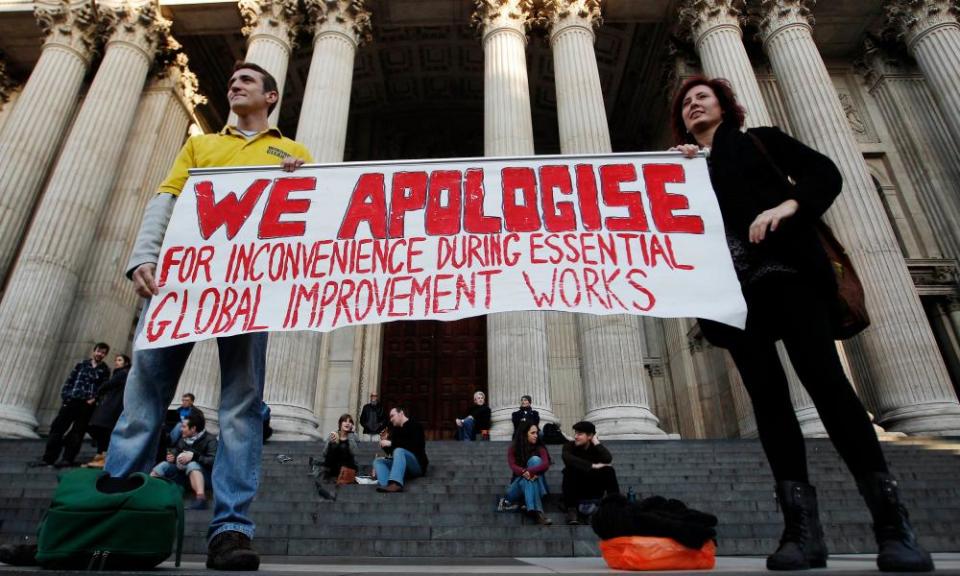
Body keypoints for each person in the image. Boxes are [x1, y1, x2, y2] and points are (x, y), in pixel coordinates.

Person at [669, 76, 933, 572]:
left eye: (701, 97)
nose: (693, 105)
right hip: (734, 294)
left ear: (725, 105)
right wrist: (675, 170)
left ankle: (893, 525)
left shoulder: (760, 140)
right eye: (685, 102)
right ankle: (801, 531)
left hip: (787, 275)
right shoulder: (685, 167)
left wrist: (788, 205)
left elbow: (825, 173)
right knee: (769, 405)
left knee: (828, 385)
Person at [104, 61, 313, 571]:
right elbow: (167, 199)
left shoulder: (294, 153)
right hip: (180, 283)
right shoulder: (201, 145)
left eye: (246, 81)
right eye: (232, 78)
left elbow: (313, 216)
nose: (234, 84)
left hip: (246, 288)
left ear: (271, 96)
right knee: (142, 398)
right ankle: (110, 518)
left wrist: (298, 182)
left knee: (242, 406)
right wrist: (142, 257)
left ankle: (231, 531)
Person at [37, 342, 110, 468]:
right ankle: (48, 458)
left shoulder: (104, 370)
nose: (100, 354)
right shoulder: (81, 365)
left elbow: (103, 388)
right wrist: (66, 397)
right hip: (72, 401)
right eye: (98, 351)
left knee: (77, 432)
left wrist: (94, 399)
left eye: (103, 353)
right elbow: (70, 381)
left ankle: (67, 458)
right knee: (57, 429)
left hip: (87, 405)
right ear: (94, 351)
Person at [151, 407, 217, 511]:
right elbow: (177, 450)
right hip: (184, 476)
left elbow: (213, 461)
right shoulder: (183, 439)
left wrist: (194, 457)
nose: (181, 429)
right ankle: (146, 490)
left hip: (205, 479)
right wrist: (173, 456)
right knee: (163, 465)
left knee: (192, 464)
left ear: (193, 429)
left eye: (184, 426)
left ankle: (201, 499)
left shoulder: (210, 440)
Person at [561, 421, 619, 526]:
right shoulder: (569, 446)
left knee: (609, 470)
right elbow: (567, 458)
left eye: (579, 434)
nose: (575, 437)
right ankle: (572, 510)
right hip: (577, 490)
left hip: (594, 489)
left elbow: (608, 458)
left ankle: (615, 506)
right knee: (569, 470)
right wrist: (592, 466)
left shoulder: (595, 448)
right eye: (575, 433)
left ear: (590, 436)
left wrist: (596, 441)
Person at [499, 421, 552, 525]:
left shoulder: (540, 448)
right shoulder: (513, 449)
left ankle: (536, 511)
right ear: (524, 433)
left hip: (528, 481)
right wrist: (524, 472)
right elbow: (513, 466)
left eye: (537, 433)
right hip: (516, 486)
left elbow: (545, 464)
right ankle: (534, 508)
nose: (536, 436)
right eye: (533, 433)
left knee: (535, 461)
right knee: (528, 478)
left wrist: (527, 472)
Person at [83, 354, 131, 468]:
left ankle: (103, 455)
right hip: (112, 405)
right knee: (102, 429)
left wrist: (98, 390)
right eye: (116, 360)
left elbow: (108, 385)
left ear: (126, 363)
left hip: (113, 406)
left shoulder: (122, 373)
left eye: (119, 360)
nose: (116, 362)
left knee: (101, 428)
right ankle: (101, 455)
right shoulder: (121, 373)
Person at [373, 406, 428, 493]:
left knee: (399, 450)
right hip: (402, 466)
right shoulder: (396, 431)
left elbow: (416, 446)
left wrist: (391, 443)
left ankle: (396, 483)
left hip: (417, 465)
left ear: (401, 413)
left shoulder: (416, 425)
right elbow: (392, 452)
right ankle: (386, 485)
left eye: (392, 416)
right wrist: (384, 444)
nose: (391, 419)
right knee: (378, 461)